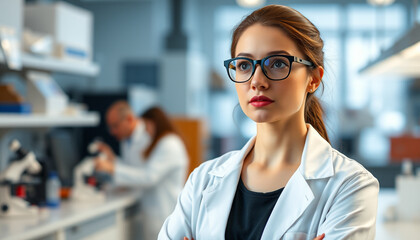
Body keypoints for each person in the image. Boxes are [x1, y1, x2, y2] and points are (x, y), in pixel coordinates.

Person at [158, 5, 379, 240]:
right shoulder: (203, 180)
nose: (257, 81)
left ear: (313, 79)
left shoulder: (351, 186)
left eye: (277, 63)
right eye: (244, 65)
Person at [94, 102, 188, 240]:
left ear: (156, 124)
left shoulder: (169, 144)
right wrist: (113, 162)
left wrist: (112, 168)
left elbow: (149, 177)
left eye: (147, 126)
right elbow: (136, 170)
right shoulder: (161, 143)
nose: (146, 131)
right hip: (154, 213)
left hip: (165, 212)